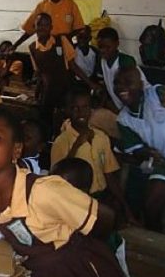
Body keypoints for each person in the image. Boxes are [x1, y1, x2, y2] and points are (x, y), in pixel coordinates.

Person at [0, 105, 131, 277]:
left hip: (79, 275)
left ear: (16, 149)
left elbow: (105, 219)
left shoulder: (43, 191)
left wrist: (82, 243)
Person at [114, 66, 165, 231]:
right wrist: (148, 153)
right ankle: (157, 244)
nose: (122, 87)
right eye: (117, 83)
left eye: (129, 82)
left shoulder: (157, 94)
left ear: (142, 85)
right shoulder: (124, 119)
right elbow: (134, 148)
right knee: (150, 206)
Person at [51, 86, 133, 225]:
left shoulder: (101, 137)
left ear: (91, 109)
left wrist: (126, 208)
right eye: (75, 108)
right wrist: (77, 144)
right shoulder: (62, 141)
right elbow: (57, 179)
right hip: (75, 201)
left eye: (85, 107)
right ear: (68, 110)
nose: (81, 112)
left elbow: (109, 174)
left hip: (100, 195)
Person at [28, 13, 97, 133]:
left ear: (51, 27)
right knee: (46, 122)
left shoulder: (61, 40)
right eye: (39, 24)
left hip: (65, 88)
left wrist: (91, 84)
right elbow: (38, 73)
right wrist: (36, 92)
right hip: (48, 91)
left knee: (68, 121)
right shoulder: (32, 48)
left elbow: (73, 66)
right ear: (34, 26)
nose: (42, 28)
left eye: (46, 25)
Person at [10, 0, 85, 51]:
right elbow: (30, 29)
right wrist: (15, 45)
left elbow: (79, 27)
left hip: (65, 47)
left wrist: (66, 37)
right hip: (45, 48)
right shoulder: (41, 6)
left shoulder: (71, 5)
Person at [97, 27, 149, 112]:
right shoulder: (102, 61)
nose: (103, 50)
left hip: (141, 104)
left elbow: (134, 90)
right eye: (100, 47)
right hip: (124, 106)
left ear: (117, 44)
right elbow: (107, 85)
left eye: (107, 47)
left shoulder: (125, 61)